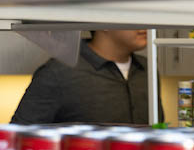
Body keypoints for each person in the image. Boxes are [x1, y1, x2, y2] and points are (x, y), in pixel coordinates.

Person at [12, 30, 155, 125]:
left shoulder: (147, 69)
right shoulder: (59, 72)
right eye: (131, 12)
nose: (145, 23)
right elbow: (15, 142)